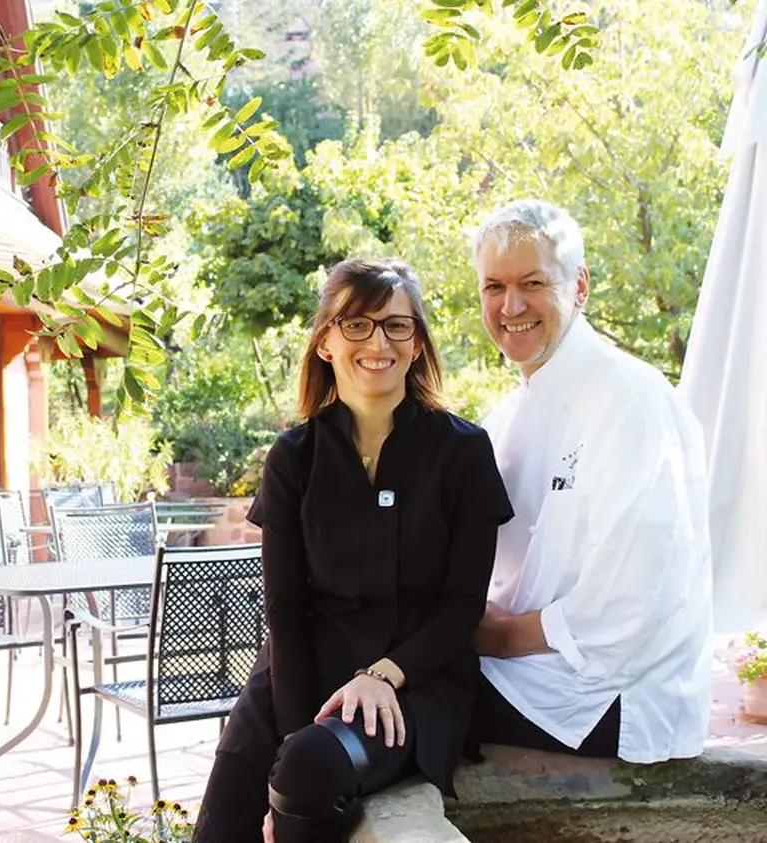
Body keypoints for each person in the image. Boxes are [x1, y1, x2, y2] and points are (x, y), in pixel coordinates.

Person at [191, 259, 514, 843]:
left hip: (415, 681)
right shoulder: (294, 458)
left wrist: (383, 676)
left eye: (397, 326)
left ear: (417, 346)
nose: (379, 342)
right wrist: (288, 741)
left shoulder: (463, 452)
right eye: (357, 325)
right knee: (224, 825)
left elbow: (462, 607)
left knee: (311, 770)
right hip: (298, 673)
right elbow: (285, 611)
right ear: (325, 343)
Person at [469, 199, 712, 763]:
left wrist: (494, 638)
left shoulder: (632, 400)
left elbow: (634, 599)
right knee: (343, 674)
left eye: (533, 282)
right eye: (493, 287)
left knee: (374, 704)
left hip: (613, 696)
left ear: (579, 287)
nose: (511, 305)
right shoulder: (504, 416)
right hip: (525, 673)